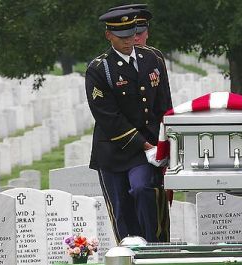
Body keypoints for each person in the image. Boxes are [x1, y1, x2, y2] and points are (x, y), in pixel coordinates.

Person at [85, 7, 171, 243]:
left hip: (148, 150)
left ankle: (155, 248)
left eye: (132, 35)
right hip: (114, 150)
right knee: (121, 208)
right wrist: (145, 146)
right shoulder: (99, 69)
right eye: (122, 37)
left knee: (144, 190)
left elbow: (164, 104)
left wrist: (165, 143)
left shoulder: (151, 59)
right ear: (108, 36)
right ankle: (129, 251)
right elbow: (108, 117)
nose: (129, 41)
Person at [109, 3, 173, 110]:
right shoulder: (106, 64)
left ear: (147, 32)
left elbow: (164, 100)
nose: (134, 38)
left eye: (138, 33)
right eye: (126, 34)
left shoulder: (155, 57)